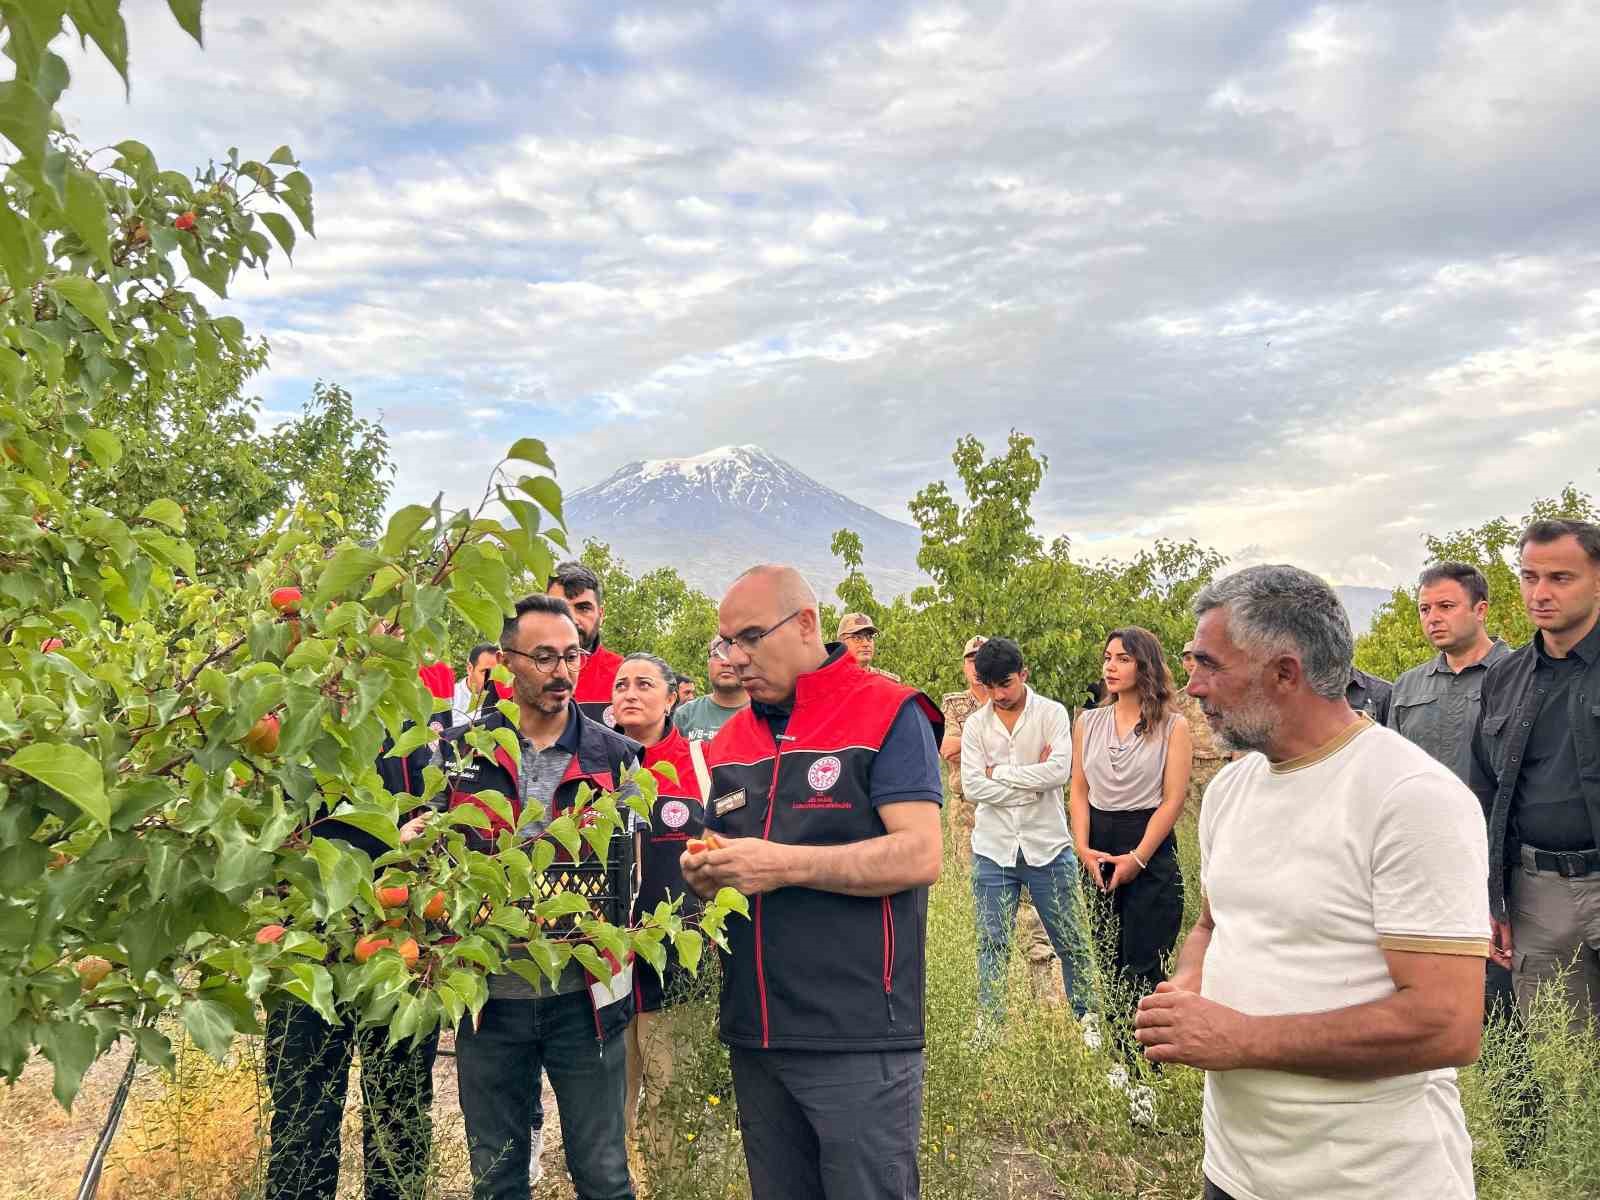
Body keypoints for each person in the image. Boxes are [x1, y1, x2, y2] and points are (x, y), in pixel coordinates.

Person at [1140, 565, 1489, 1200]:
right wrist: (1189, 987)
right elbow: (1214, 924)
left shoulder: (1411, 797)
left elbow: (1447, 1024)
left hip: (1366, 1181)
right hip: (1234, 1171)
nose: (1191, 686)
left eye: (1210, 665)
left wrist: (1238, 1038)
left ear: (1284, 672)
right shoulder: (1230, 790)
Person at [680, 564, 943, 1200]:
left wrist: (784, 865)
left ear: (806, 624)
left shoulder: (887, 711)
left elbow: (920, 854)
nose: (735, 658)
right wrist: (706, 873)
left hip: (855, 1034)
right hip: (756, 1029)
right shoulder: (731, 740)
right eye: (725, 643)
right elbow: (732, 859)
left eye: (749, 637)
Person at [449, 593, 641, 1200]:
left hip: (584, 1001)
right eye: (544, 657)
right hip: (489, 999)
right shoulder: (459, 754)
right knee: (497, 1176)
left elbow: (633, 874)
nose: (561, 671)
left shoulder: (617, 759)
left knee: (604, 1175)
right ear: (507, 663)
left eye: (572, 656)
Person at [265, 709, 440, 1200]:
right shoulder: (285, 728)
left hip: (393, 954)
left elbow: (430, 822)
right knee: (301, 1116)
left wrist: (425, 838)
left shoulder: (407, 733)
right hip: (305, 953)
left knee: (400, 1116)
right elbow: (264, 844)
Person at [1471, 519, 1600, 1031]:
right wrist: (1492, 895)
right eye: (1530, 577)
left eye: (1560, 578)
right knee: (1563, 1065)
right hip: (1538, 897)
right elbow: (1486, 791)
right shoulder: (1504, 676)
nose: (1540, 593)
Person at [1388, 562, 1513, 1015]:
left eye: (1445, 606)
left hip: (1500, 855)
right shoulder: (1407, 687)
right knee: (1430, 981)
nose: (1433, 618)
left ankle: (1509, 1083)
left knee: (1502, 989)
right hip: (1422, 857)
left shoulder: (1520, 676)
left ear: (1480, 609)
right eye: (1424, 609)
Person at [960, 637, 1096, 1032]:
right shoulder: (975, 725)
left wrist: (997, 773)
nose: (998, 695)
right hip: (993, 848)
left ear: (1024, 674)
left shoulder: (1051, 714)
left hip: (1047, 846)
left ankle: (1088, 1019)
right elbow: (972, 787)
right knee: (992, 944)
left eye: (1005, 684)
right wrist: (1030, 783)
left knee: (1070, 940)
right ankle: (991, 1024)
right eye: (989, 687)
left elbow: (1058, 772)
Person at [1071, 627, 1192, 1067]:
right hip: (1098, 847)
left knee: (1142, 962)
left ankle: (1148, 1070)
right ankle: (1121, 1062)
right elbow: (1079, 790)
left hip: (1149, 847)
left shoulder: (1173, 727)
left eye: (1122, 658)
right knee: (1108, 956)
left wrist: (1139, 858)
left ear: (1145, 665)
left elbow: (1173, 799)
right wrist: (1083, 848)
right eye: (1107, 657)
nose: (1110, 665)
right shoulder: (1088, 722)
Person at [611, 652, 707, 1185]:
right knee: (608, 1104)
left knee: (672, 1096)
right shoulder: (601, 766)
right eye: (620, 684)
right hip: (606, 961)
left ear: (672, 697)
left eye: (644, 684)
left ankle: (672, 1186)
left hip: (677, 961)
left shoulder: (697, 763)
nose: (629, 692)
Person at [548, 560, 625, 726]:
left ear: (601, 614)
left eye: (583, 608)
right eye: (559, 608)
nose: (571, 619)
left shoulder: (625, 676)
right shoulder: (510, 675)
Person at [939, 636, 989, 863]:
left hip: (1002, 801)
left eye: (982, 660)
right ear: (964, 667)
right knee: (969, 878)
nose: (977, 667)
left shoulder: (1006, 701)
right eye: (971, 662)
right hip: (965, 806)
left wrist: (966, 744)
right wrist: (990, 739)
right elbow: (947, 749)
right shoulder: (952, 703)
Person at [672, 636, 751, 742]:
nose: (726, 662)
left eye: (734, 653)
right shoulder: (684, 716)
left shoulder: (768, 714)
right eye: (717, 654)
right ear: (708, 663)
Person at [452, 642, 510, 725]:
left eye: (497, 672)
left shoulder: (505, 700)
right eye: (485, 672)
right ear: (469, 669)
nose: (491, 678)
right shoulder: (451, 698)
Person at [837, 611, 900, 680]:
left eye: (869, 637)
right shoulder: (829, 681)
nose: (866, 644)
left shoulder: (887, 681)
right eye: (857, 638)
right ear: (841, 642)